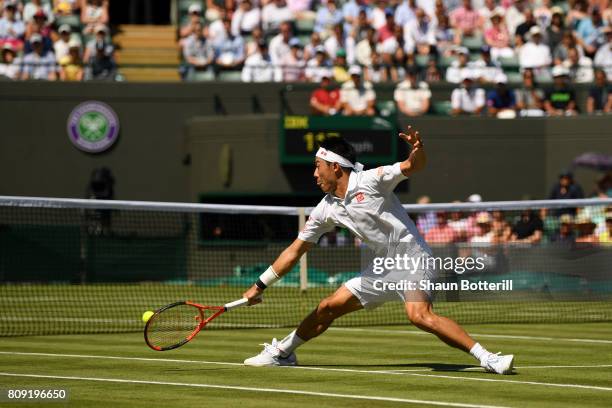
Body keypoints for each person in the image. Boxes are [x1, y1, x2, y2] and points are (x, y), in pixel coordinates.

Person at [241, 129, 515, 375]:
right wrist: (259, 285)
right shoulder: (325, 208)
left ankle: (488, 357)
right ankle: (282, 353)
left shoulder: (372, 180)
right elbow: (295, 250)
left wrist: (418, 150)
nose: (314, 174)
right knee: (327, 307)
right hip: (383, 268)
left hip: (414, 257)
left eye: (318, 167)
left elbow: (411, 165)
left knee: (418, 314)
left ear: (335, 167)